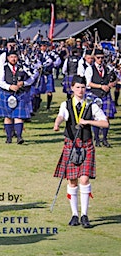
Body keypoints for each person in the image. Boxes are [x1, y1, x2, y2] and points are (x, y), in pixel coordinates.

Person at [53, 75, 109, 228]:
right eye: (77, 87)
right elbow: (60, 116)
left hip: (86, 144)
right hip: (71, 144)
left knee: (84, 180)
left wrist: (88, 122)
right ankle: (74, 215)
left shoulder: (92, 105)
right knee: (72, 181)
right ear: (72, 88)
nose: (80, 90)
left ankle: (84, 215)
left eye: (83, 87)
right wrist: (57, 124)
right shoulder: (66, 104)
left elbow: (105, 123)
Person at [0, 50, 39, 144]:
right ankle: (9, 137)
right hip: (6, 93)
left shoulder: (24, 67)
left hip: (20, 94)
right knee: (8, 116)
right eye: (11, 57)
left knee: (19, 116)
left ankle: (19, 137)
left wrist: (24, 83)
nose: (13, 59)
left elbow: (32, 78)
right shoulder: (3, 68)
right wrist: (9, 86)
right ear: (8, 58)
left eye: (15, 57)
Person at [84, 49, 117, 147]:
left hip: (106, 95)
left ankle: (105, 139)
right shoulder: (90, 69)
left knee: (106, 118)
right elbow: (88, 83)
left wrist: (111, 84)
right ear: (95, 58)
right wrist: (100, 86)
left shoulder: (107, 68)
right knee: (97, 118)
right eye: (98, 58)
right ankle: (97, 139)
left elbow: (116, 78)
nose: (100, 60)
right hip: (95, 94)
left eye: (102, 58)